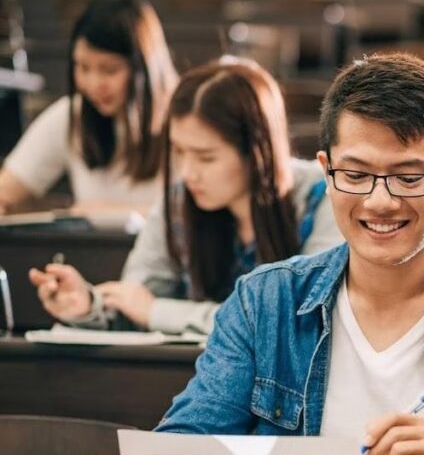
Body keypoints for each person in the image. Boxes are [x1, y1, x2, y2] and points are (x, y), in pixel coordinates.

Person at [75, 52, 424, 455]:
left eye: (409, 177)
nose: (380, 201)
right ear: (326, 171)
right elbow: (188, 442)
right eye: (356, 174)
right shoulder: (265, 301)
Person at [29, 58, 341, 335]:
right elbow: (134, 302)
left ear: (257, 153)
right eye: (179, 152)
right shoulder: (179, 201)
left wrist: (159, 312)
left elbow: (298, 319)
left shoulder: (321, 194)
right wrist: (87, 305)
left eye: (206, 157)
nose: (188, 173)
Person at [0, 0, 178, 215]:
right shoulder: (71, 115)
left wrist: (101, 213)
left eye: (110, 70)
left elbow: (189, 216)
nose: (93, 84)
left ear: (143, 68)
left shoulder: (184, 117)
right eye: (83, 67)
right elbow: (7, 190)